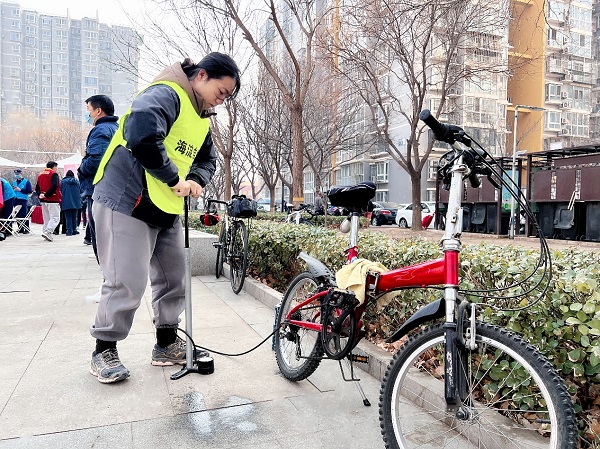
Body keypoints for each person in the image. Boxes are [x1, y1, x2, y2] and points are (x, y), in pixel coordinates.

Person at [89, 52, 240, 383]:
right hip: (126, 197)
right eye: (222, 90)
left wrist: (196, 181)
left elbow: (207, 161)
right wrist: (174, 179)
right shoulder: (165, 93)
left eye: (227, 96)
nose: (222, 99)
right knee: (126, 279)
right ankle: (104, 349)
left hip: (165, 207)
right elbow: (141, 135)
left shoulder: (201, 120)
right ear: (201, 75)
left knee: (174, 277)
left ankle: (166, 344)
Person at [77, 95, 119, 249]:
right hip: (111, 188)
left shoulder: (101, 130)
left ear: (98, 111)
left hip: (98, 188)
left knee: (101, 239)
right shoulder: (116, 128)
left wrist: (81, 169)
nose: (88, 114)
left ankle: (108, 270)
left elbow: (96, 160)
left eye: (89, 110)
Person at [35, 162, 62, 242]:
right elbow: (54, 185)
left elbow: (37, 186)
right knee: (55, 218)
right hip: (52, 198)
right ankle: (48, 232)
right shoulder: (54, 174)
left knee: (46, 218)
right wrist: (47, 194)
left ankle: (45, 231)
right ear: (54, 167)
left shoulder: (40, 174)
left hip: (43, 199)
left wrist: (40, 194)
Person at [60, 170, 82, 236]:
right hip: (76, 202)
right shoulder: (77, 182)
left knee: (68, 217)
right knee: (74, 217)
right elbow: (80, 190)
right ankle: (74, 230)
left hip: (66, 201)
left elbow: (60, 191)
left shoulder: (62, 182)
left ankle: (69, 231)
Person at [11, 169, 33, 234]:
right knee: (17, 214)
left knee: (23, 214)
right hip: (15, 199)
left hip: (23, 199)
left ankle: (26, 228)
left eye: (18, 174)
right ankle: (20, 228)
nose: (17, 175)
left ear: (21, 174)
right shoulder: (14, 182)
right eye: (16, 174)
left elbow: (29, 191)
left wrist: (20, 190)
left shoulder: (26, 182)